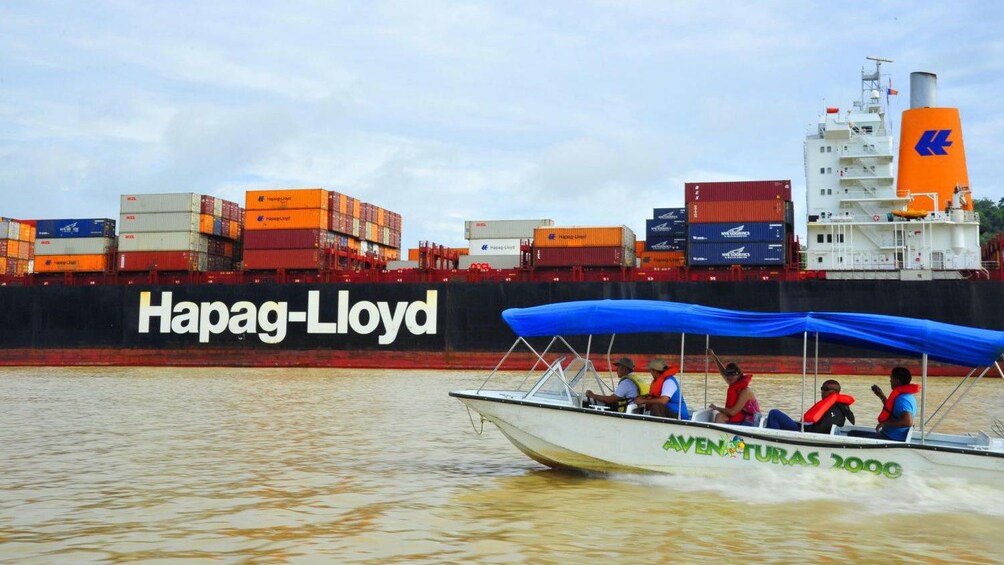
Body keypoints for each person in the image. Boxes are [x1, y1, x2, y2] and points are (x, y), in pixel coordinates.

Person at [848, 366, 920, 441]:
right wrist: (881, 396)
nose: (890, 381)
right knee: (852, 433)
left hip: (892, 438)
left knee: (851, 437)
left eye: (891, 378)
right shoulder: (907, 396)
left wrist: (884, 423)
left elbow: (907, 422)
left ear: (897, 380)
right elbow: (892, 410)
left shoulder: (902, 399)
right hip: (888, 434)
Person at [764, 379, 855, 433]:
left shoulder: (835, 409)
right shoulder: (833, 405)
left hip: (805, 432)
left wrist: (804, 427)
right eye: (822, 389)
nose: (822, 391)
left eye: (825, 389)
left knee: (774, 413)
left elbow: (821, 428)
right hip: (804, 428)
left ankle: (772, 444)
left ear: (835, 392)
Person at [707, 348, 761, 425]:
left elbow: (732, 412)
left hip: (752, 422)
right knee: (721, 416)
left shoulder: (745, 391)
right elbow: (723, 372)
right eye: (728, 375)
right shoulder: (734, 383)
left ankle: (720, 436)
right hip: (743, 418)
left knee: (720, 416)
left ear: (739, 374)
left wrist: (716, 408)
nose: (730, 377)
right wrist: (713, 355)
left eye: (733, 374)